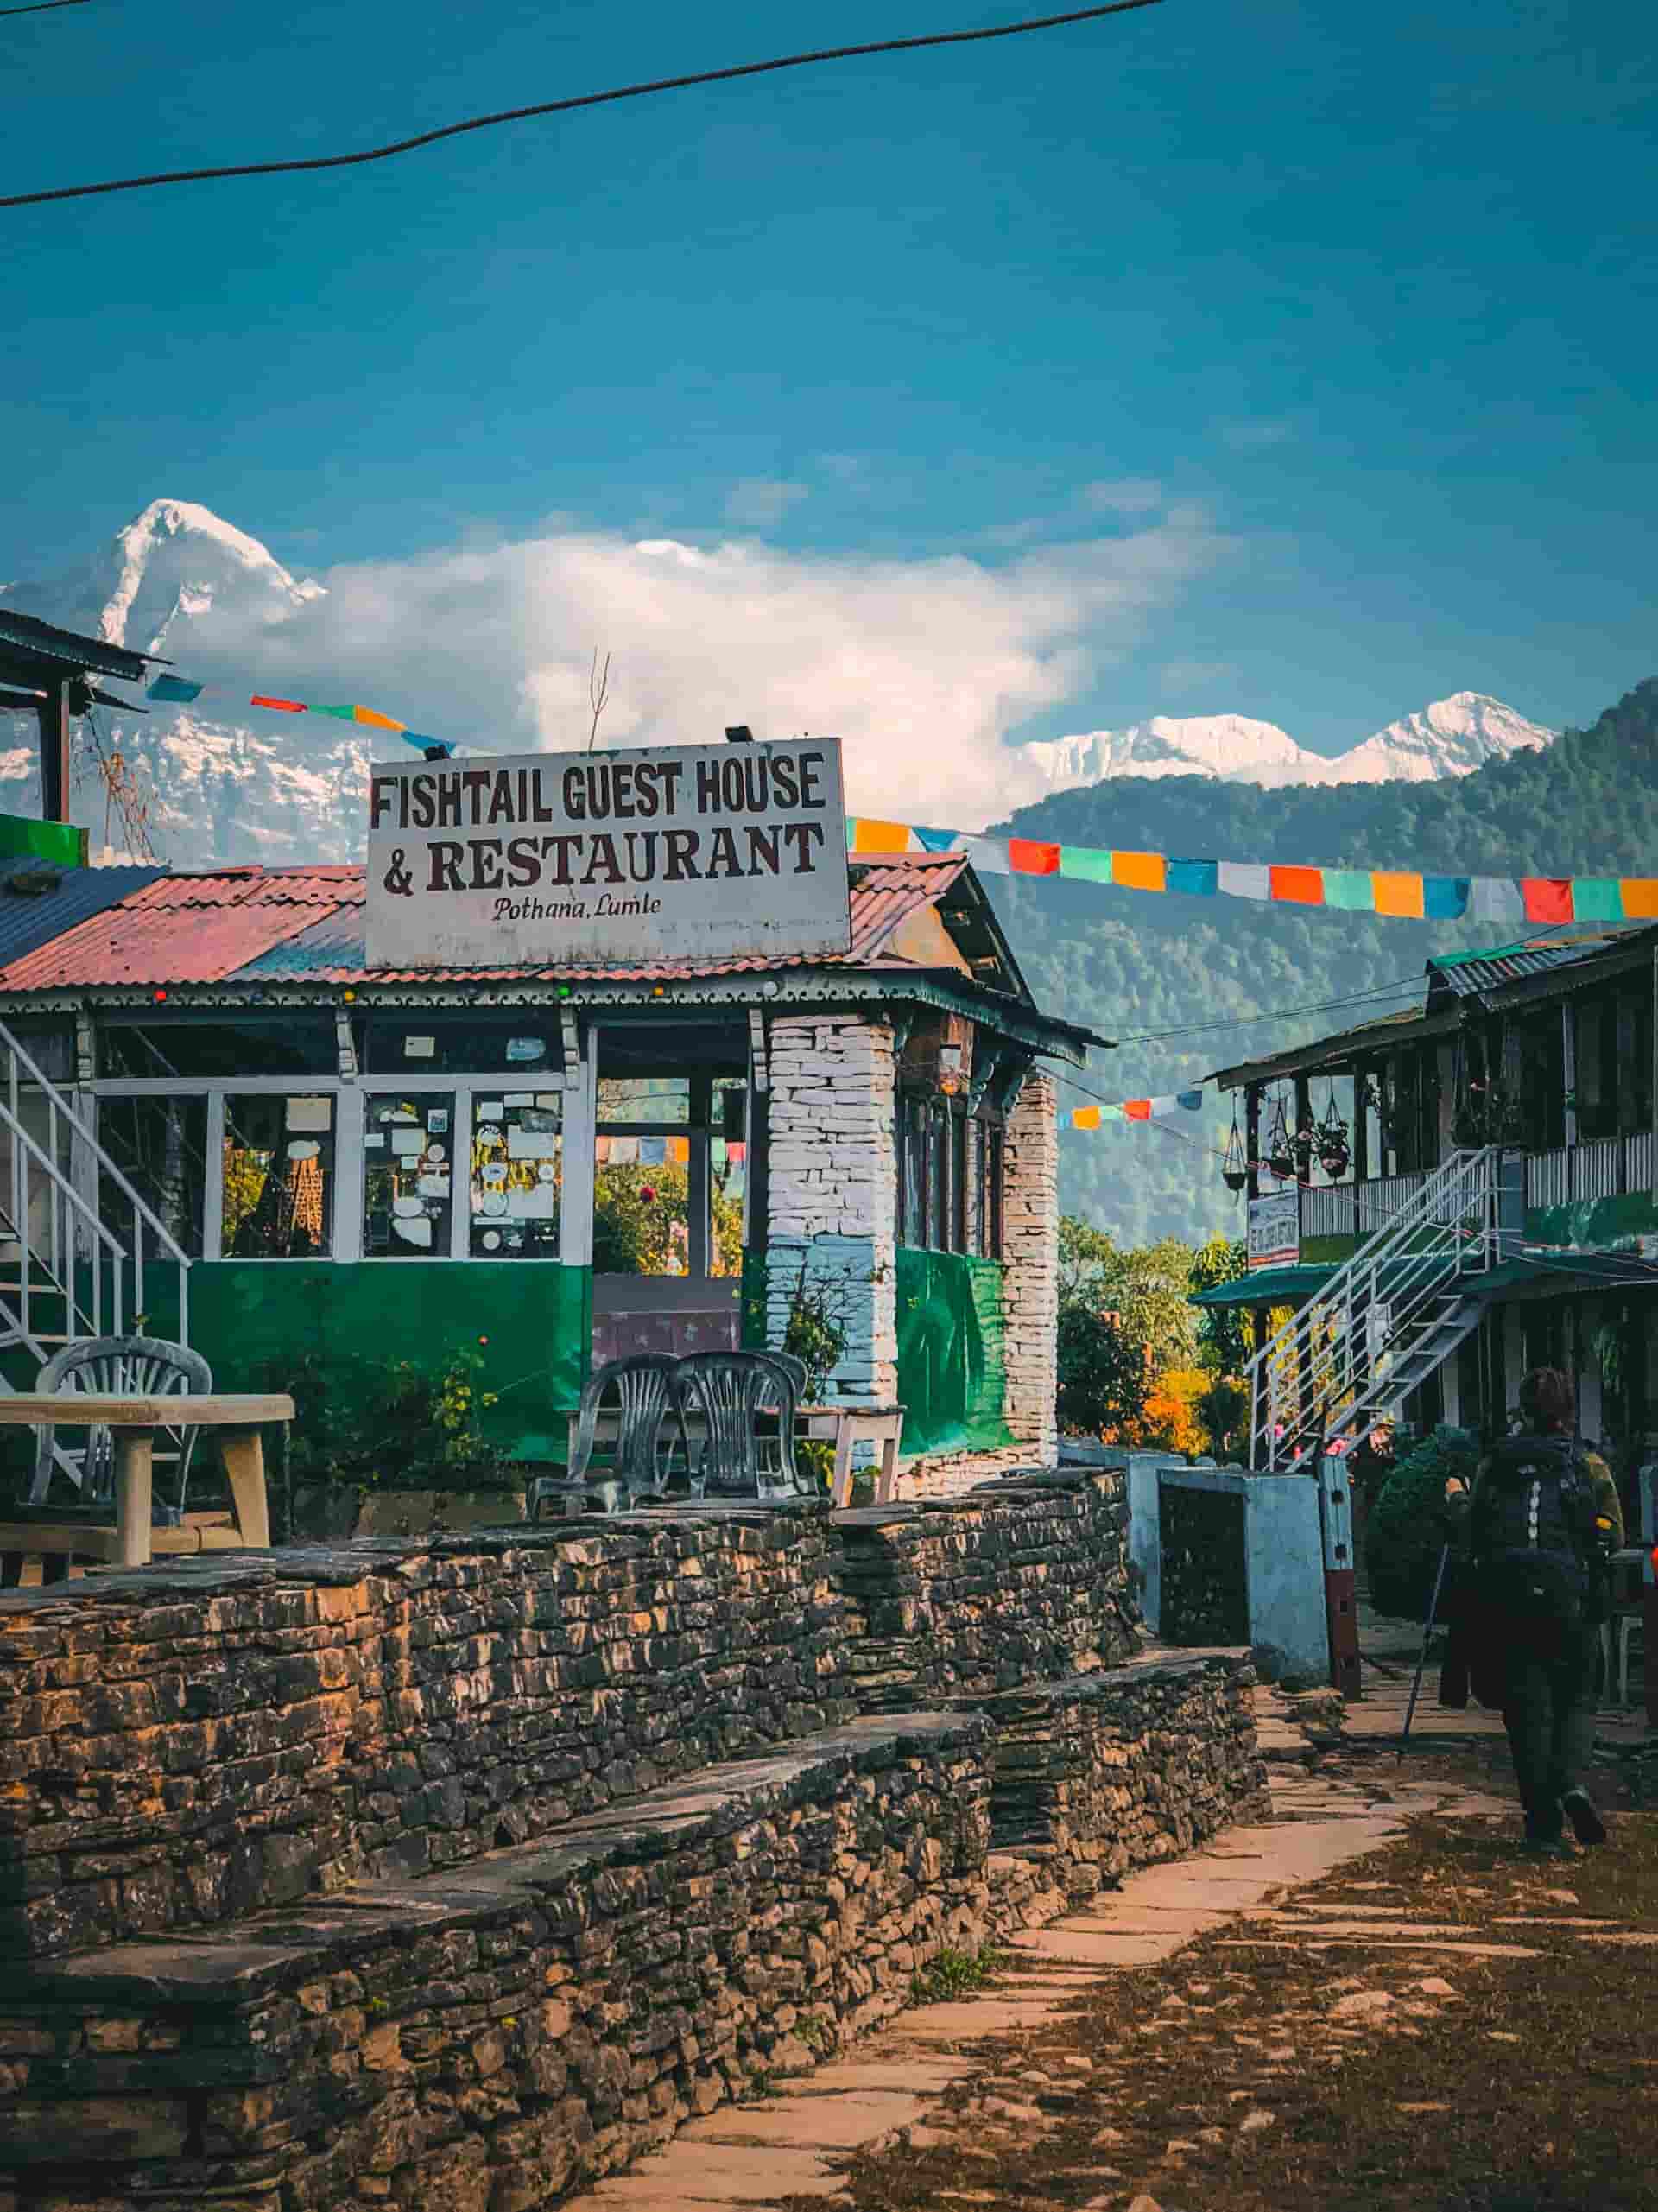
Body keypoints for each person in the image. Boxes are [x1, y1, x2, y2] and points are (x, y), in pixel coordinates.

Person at [1443, 1366, 1623, 1857]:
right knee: (1578, 1700)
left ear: (1522, 1412)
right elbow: (1614, 1537)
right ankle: (1572, 1784)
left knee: (1527, 1716)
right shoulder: (1588, 1465)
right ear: (1568, 1412)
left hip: (1509, 1604)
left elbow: (1470, 1532)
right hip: (1571, 1604)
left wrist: (1455, 1499)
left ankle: (1542, 1831)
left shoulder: (1495, 1464)